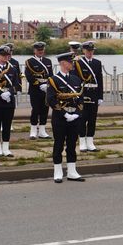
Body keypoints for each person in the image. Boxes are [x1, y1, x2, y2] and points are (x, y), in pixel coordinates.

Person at [46, 51, 85, 183]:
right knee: (58, 144)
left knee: (72, 144)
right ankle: (57, 171)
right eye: (70, 62)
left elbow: (80, 99)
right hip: (60, 117)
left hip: (74, 116)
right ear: (63, 63)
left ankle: (72, 171)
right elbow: (51, 99)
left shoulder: (76, 79)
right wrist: (65, 114)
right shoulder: (53, 80)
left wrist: (77, 114)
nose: (73, 64)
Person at [73, 41, 104, 152]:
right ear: (84, 51)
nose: (90, 53)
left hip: (94, 93)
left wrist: (100, 96)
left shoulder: (97, 63)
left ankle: (90, 141)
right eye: (88, 51)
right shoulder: (78, 63)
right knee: (82, 118)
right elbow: (75, 79)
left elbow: (99, 80)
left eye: (91, 51)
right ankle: (82, 141)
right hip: (83, 93)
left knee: (92, 119)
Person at [24, 41, 53, 139]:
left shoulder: (48, 61)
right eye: (38, 50)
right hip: (35, 89)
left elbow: (51, 76)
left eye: (42, 50)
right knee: (35, 110)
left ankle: (42, 131)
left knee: (45, 110)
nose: (40, 51)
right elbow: (29, 76)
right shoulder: (29, 61)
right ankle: (33, 131)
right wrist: (39, 84)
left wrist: (48, 85)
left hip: (46, 90)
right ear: (34, 50)